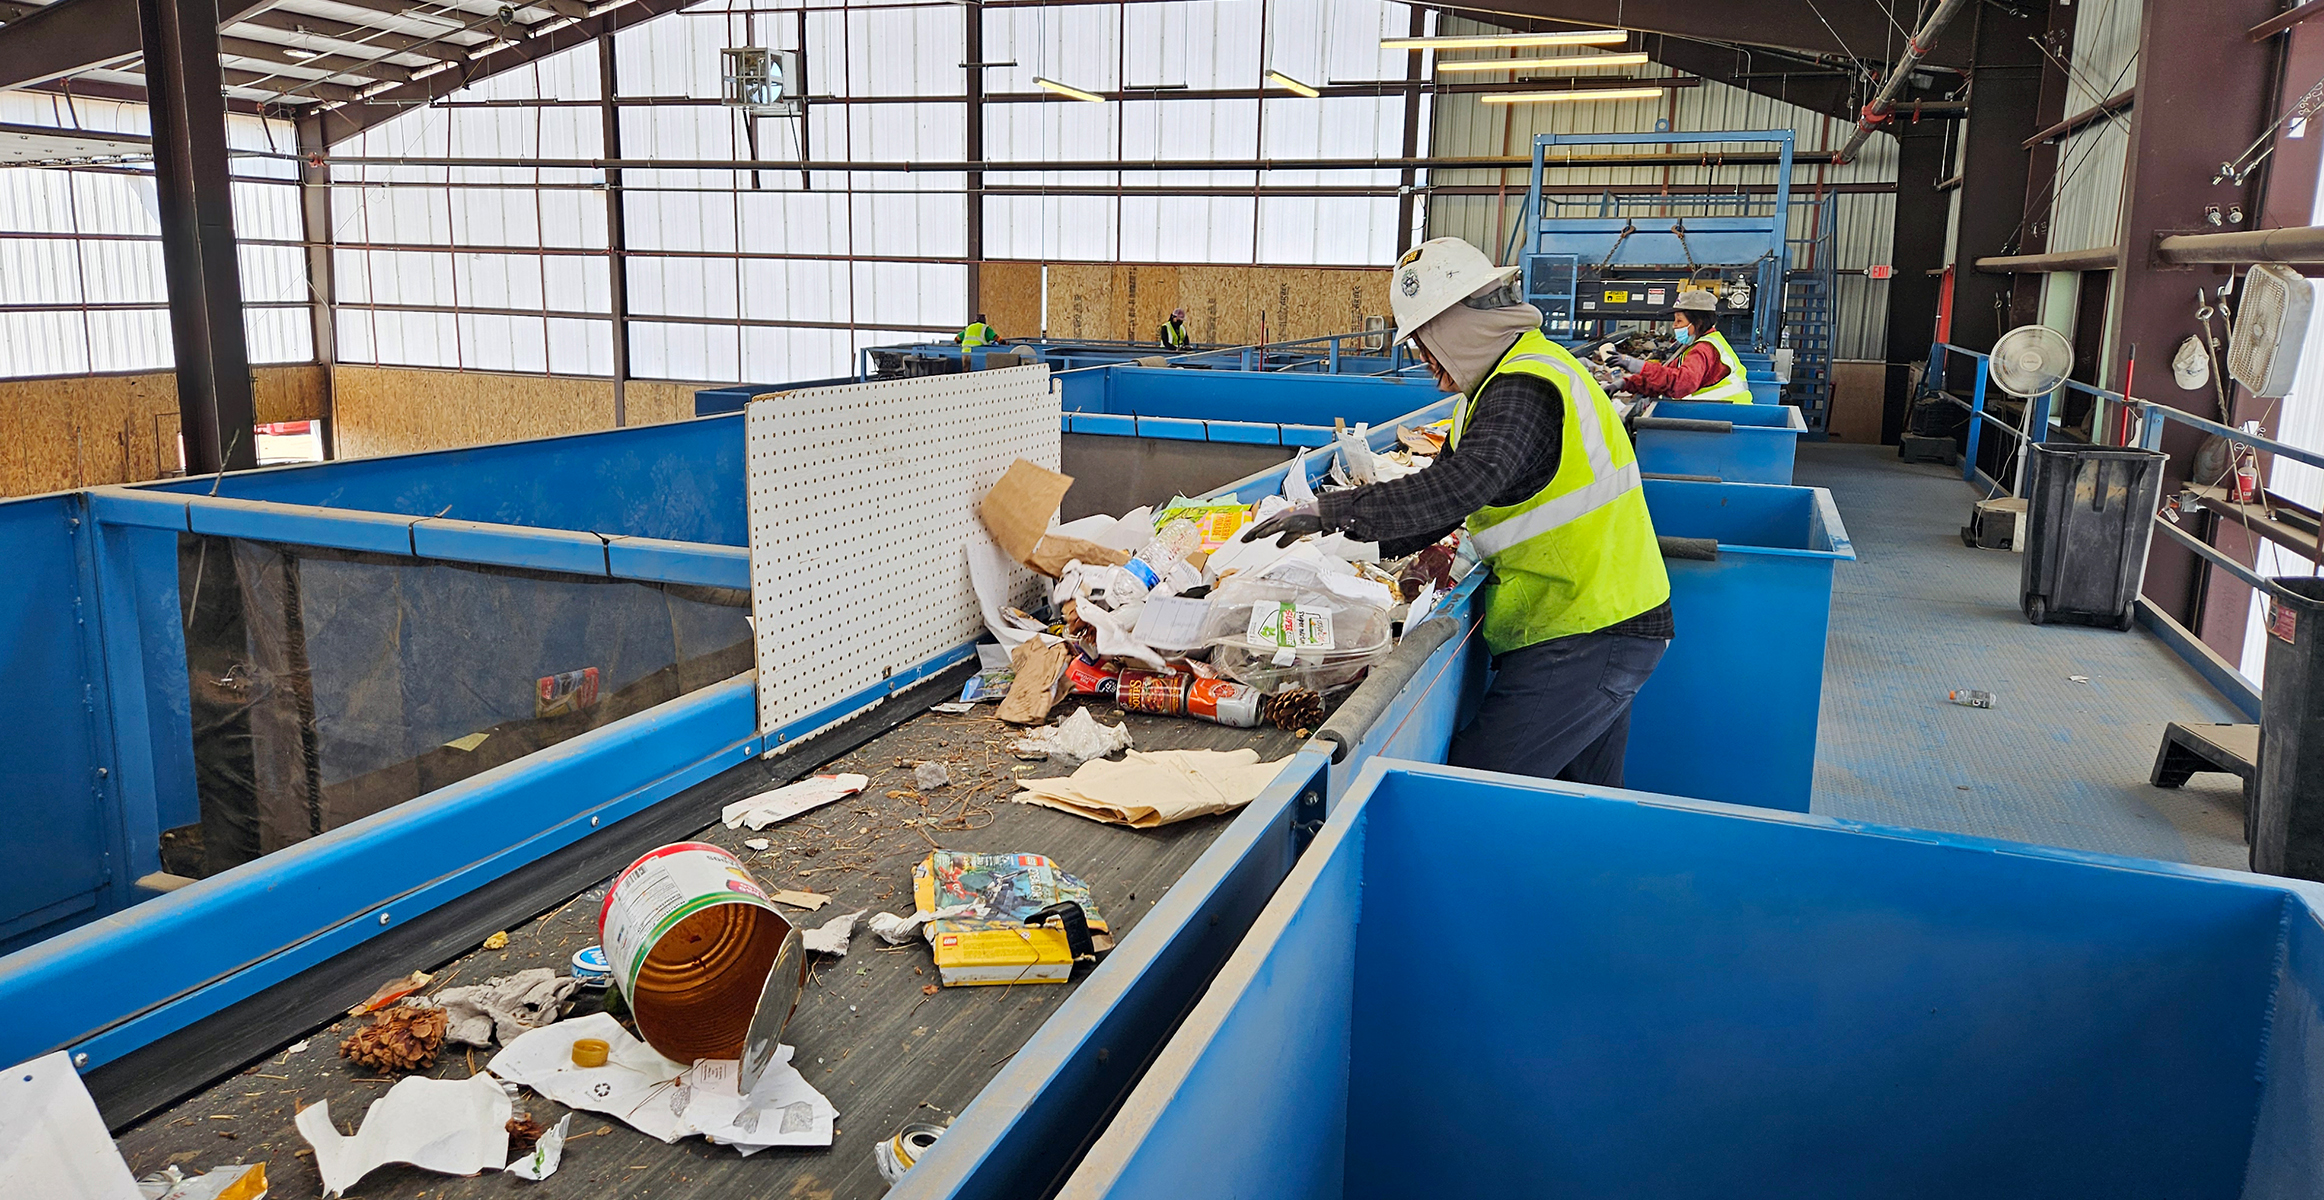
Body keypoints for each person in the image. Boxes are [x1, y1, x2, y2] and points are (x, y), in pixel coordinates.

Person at [1241, 237, 1672, 786]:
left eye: (1426, 341)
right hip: (1599, 617)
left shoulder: (1523, 386)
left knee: (1472, 787)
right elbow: (1442, 500)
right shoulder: (1497, 384)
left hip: (1588, 628)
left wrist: (1333, 509)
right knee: (1576, 801)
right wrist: (1356, 549)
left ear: (1456, 326)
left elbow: (1462, 484)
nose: (1425, 359)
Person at [1608, 288, 1752, 403]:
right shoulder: (1699, 345)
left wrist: (1634, 364)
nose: (1674, 326)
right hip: (1720, 414)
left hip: (1726, 420)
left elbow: (1682, 383)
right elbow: (1665, 378)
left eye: (1679, 321)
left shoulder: (1704, 349)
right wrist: (1624, 384)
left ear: (1698, 323)